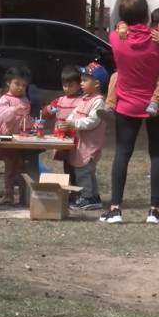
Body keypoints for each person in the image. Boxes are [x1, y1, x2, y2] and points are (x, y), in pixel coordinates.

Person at [99, 0, 159, 225]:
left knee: (122, 153)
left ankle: (115, 209)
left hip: (126, 103)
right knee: (157, 154)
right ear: (148, 16)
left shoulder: (116, 38)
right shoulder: (157, 41)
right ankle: (154, 211)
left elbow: (118, 37)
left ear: (122, 17)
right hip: (158, 105)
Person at [107, 7, 159, 116]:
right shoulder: (149, 36)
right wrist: (122, 26)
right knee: (115, 75)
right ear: (153, 26)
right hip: (147, 75)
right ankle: (109, 105)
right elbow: (126, 29)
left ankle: (155, 102)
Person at [62, 63, 108, 211]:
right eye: (81, 80)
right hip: (82, 142)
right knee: (86, 171)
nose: (81, 83)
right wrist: (68, 121)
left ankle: (87, 197)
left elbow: (92, 122)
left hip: (90, 144)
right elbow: (75, 113)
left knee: (84, 171)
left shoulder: (98, 102)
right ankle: (94, 196)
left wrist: (74, 123)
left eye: (84, 80)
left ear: (96, 84)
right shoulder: (84, 99)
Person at [0, 67, 34, 204]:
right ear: (8, 82)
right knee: (10, 168)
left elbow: (26, 117)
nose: (20, 88)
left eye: (24, 85)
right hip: (8, 137)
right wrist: (14, 109)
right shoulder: (5, 98)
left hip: (22, 137)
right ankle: (8, 194)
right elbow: (3, 115)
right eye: (17, 84)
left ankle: (23, 196)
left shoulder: (25, 99)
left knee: (22, 168)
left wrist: (32, 124)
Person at [42, 65, 82, 184]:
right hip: (63, 140)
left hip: (77, 140)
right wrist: (48, 109)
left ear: (79, 85)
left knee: (77, 167)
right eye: (65, 85)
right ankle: (71, 191)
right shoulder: (59, 101)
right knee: (67, 167)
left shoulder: (83, 101)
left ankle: (77, 191)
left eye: (71, 86)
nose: (67, 88)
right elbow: (46, 113)